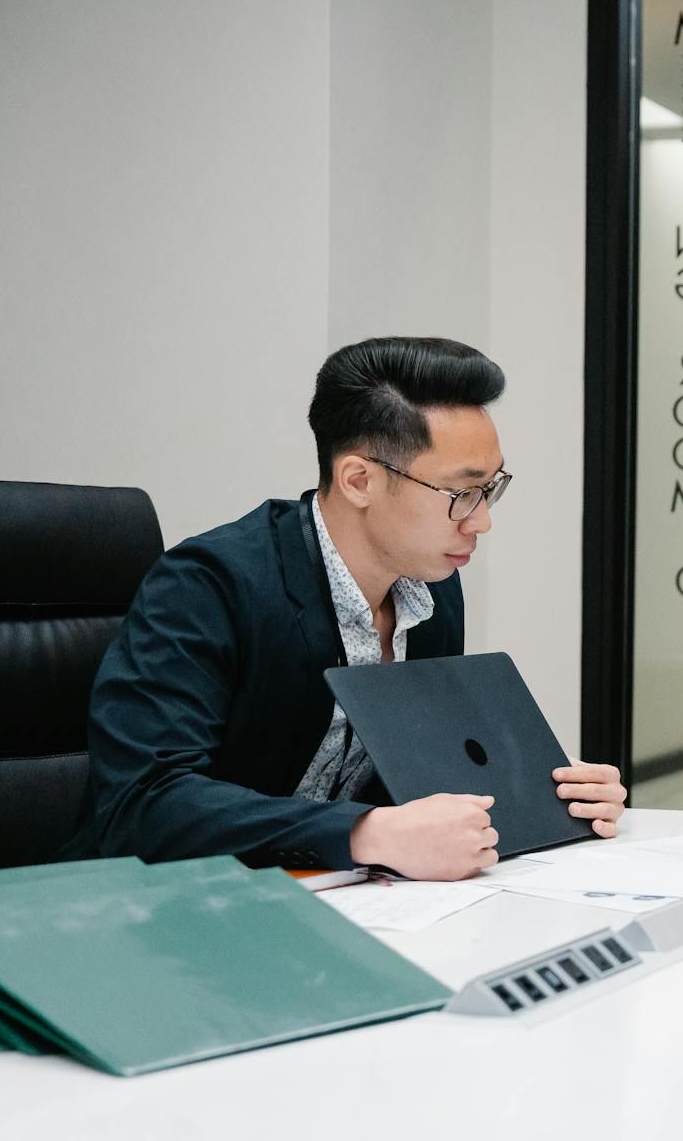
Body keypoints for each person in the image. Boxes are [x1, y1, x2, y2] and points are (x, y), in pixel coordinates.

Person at [67, 336, 625, 881]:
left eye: (492, 488)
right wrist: (367, 834)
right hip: (166, 911)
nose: (481, 521)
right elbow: (143, 803)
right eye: (462, 493)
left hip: (335, 899)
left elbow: (411, 777)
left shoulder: (432, 585)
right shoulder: (208, 586)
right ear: (359, 480)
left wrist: (551, 793)